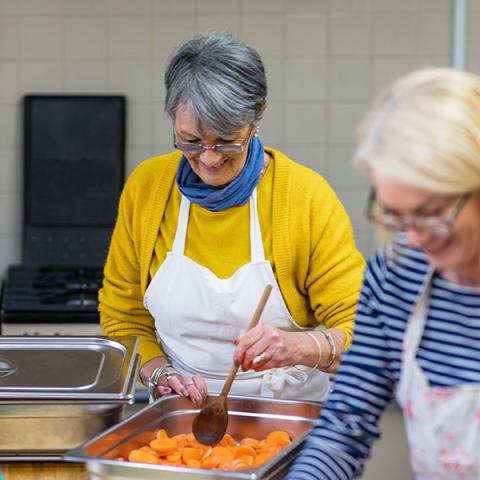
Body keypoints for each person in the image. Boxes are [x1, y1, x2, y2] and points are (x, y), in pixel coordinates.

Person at [99, 32, 365, 406]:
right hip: (183, 415)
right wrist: (159, 372)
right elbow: (123, 315)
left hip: (290, 421)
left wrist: (300, 346)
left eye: (226, 141)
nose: (209, 159)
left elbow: (366, 330)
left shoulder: (304, 197)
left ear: (256, 119)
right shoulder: (148, 189)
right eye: (190, 141)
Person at [288, 67, 480, 480]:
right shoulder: (396, 276)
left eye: (429, 214)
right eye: (394, 215)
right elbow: (344, 427)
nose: (411, 239)